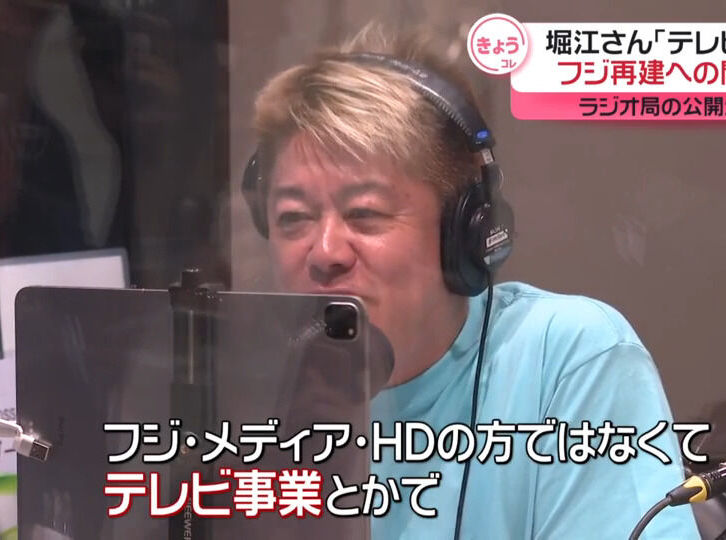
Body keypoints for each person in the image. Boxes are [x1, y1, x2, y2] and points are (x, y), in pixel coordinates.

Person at [243, 23, 701, 540]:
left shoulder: (563, 359)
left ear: (462, 230)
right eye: (293, 218)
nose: (325, 252)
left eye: (365, 214)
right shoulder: (243, 390)